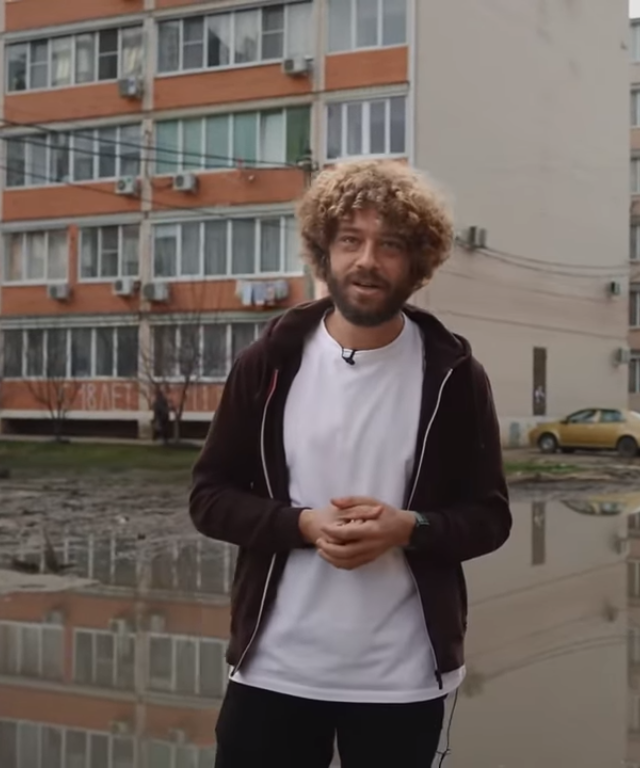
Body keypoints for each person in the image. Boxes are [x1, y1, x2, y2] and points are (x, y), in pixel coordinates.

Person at [189, 160, 512, 767]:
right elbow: (209, 498)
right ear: (324, 251)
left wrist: (410, 528)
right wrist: (301, 524)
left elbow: (490, 517)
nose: (367, 260)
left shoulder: (454, 376)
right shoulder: (268, 363)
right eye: (350, 240)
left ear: (417, 262)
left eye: (390, 245)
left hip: (401, 680)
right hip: (274, 670)